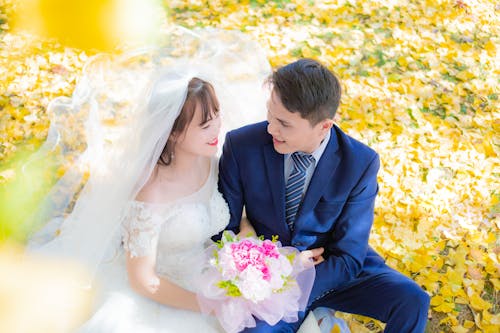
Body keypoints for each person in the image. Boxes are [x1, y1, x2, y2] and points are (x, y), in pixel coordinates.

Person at [218, 58, 431, 333]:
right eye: (270, 114)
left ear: (324, 126)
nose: (271, 128)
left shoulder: (360, 163)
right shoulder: (241, 145)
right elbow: (226, 228)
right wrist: (278, 275)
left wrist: (300, 285)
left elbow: (350, 255)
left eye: (284, 123)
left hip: (333, 269)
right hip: (268, 277)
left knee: (412, 300)